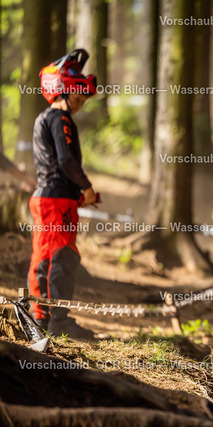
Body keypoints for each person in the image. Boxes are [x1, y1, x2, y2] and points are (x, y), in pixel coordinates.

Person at [28, 49, 98, 338]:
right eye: (78, 99)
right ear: (64, 91)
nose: (80, 105)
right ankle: (59, 321)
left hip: (47, 197)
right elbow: (67, 162)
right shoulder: (60, 119)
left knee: (44, 257)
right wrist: (87, 188)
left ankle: (41, 317)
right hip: (57, 199)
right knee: (63, 255)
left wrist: (79, 194)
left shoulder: (44, 118)